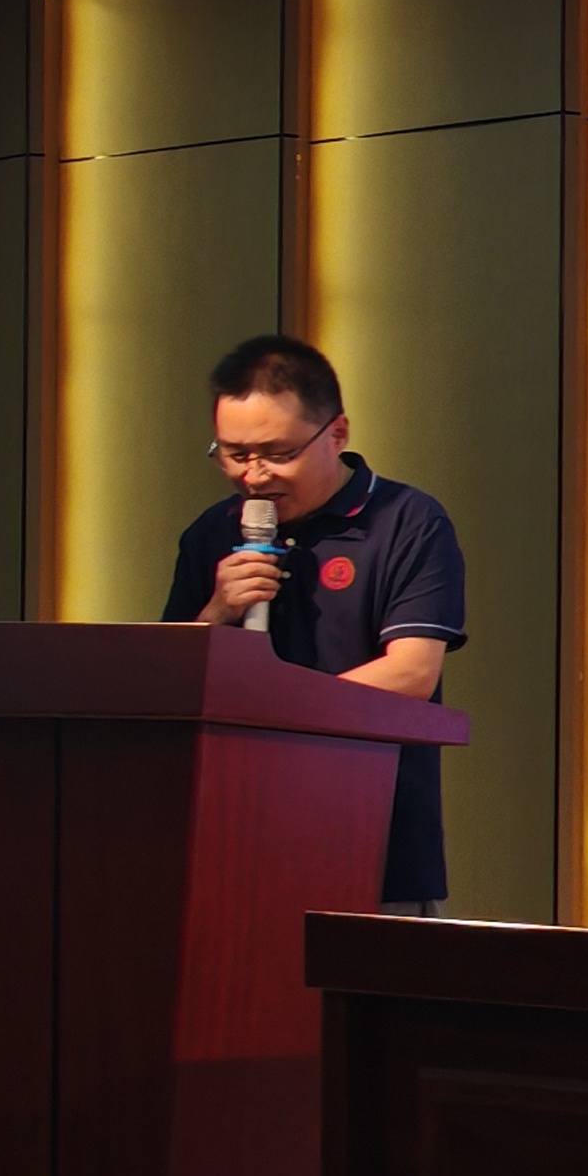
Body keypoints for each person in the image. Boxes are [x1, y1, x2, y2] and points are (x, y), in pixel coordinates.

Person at [160, 334, 466, 912]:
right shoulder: (211, 533)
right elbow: (170, 686)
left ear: (337, 433)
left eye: (277, 454)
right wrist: (217, 613)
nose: (254, 476)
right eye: (234, 454)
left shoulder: (407, 521)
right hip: (234, 837)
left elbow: (411, 674)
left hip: (373, 839)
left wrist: (274, 716)